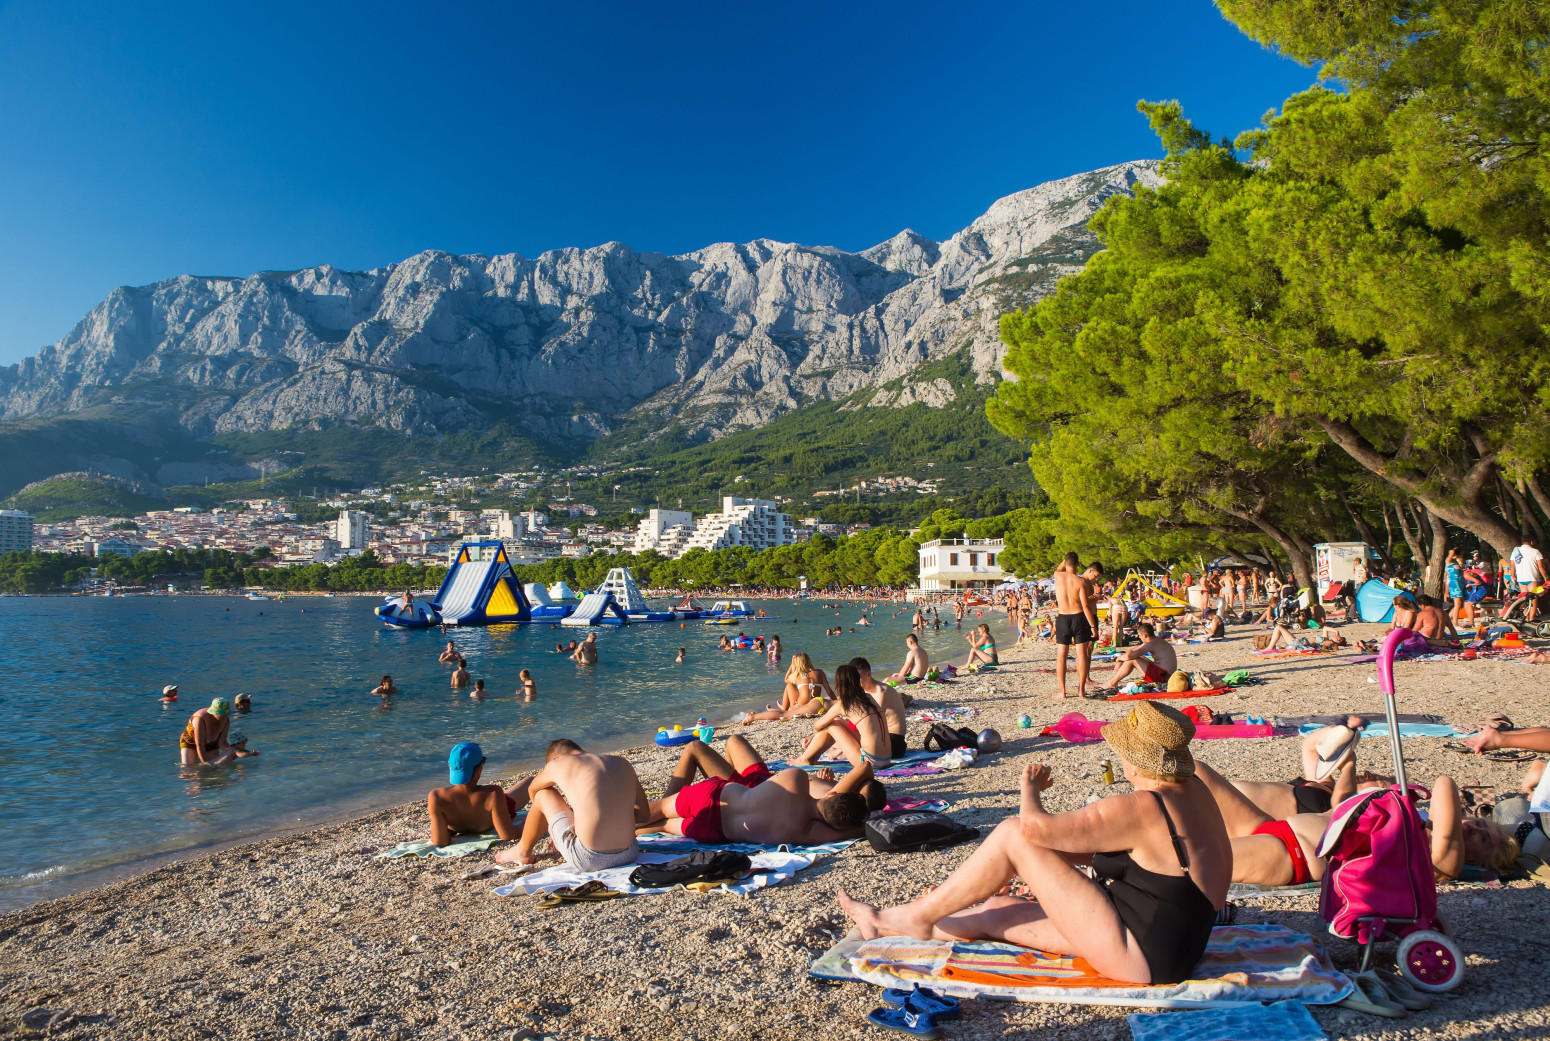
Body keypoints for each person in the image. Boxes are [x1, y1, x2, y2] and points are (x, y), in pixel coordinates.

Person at [835, 702, 1230, 986]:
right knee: (997, 912)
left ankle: (919, 917)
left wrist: (1029, 789)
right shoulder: (1193, 791)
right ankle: (886, 922)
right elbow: (1135, 859)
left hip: (1140, 952)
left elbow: (1032, 831)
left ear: (1133, 759)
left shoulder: (1145, 805)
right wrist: (1031, 870)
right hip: (1178, 946)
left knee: (1010, 831)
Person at [642, 735, 884, 846]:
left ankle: (622, 821)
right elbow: (853, 831)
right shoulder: (804, 832)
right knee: (662, 825)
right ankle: (620, 839)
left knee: (658, 809)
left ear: (835, 794)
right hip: (717, 828)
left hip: (722, 794)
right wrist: (868, 823)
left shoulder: (798, 779)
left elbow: (863, 767)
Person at [496, 739, 647, 871]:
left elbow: (533, 791)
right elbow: (644, 814)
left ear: (555, 758)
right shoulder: (622, 762)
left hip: (589, 858)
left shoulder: (557, 764)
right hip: (630, 853)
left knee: (544, 793)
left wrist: (553, 826)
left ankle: (522, 851)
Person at [427, 742, 529, 849]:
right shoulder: (492, 794)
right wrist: (526, 822)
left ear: (449, 767)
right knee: (529, 782)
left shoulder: (437, 798)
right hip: (497, 806)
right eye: (483, 761)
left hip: (460, 820)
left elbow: (440, 841)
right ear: (478, 769)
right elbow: (508, 834)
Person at [793, 663, 893, 769]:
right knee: (836, 720)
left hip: (869, 762)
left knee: (830, 724)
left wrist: (813, 736)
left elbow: (817, 726)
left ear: (839, 684)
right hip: (887, 758)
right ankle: (812, 757)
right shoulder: (868, 697)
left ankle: (804, 759)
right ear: (857, 680)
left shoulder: (843, 705)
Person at [1053, 552, 1098, 697]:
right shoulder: (1081, 582)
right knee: (1081, 654)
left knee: (1061, 655)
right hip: (1079, 618)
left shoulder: (1057, 576)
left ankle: (1062, 691)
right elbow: (1085, 606)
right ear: (1078, 565)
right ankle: (1081, 690)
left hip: (1063, 618)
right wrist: (1093, 626)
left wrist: (1065, 558)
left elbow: (1061, 568)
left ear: (1065, 563)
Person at [741, 652, 834, 722]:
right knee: (796, 689)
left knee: (789, 686)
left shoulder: (798, 674)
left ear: (796, 664)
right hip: (816, 704)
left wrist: (791, 664)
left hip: (800, 706)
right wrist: (835, 702)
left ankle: (783, 708)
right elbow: (829, 691)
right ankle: (784, 707)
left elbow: (786, 679)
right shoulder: (820, 672)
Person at [852, 656, 908, 760]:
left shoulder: (881, 691)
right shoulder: (864, 691)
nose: (855, 682)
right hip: (884, 739)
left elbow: (872, 721)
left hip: (894, 743)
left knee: (843, 729)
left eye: (858, 678)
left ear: (868, 674)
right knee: (837, 725)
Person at [178, 698, 258, 766]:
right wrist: (204, 762)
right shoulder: (200, 719)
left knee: (214, 768)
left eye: (224, 714)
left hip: (212, 742)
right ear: (213, 712)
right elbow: (199, 744)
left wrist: (233, 752)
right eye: (219, 714)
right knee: (188, 769)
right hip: (190, 742)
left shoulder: (226, 719)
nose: (222, 717)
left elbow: (222, 742)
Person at [1107, 622, 1178, 688]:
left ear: (1145, 635)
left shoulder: (1151, 644)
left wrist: (1118, 659)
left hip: (1163, 678)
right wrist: (1120, 660)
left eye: (1140, 635)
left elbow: (1129, 656)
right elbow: (1132, 651)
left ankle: (1112, 683)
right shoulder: (1156, 640)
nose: (1139, 637)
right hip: (1167, 675)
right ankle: (1112, 682)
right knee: (1137, 656)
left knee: (1133, 659)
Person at [1512, 536, 1548, 621]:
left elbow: (1512, 565)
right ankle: (1531, 618)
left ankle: (1525, 617)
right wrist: (1546, 577)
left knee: (1524, 599)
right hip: (1533, 578)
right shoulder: (1536, 551)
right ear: (1531, 542)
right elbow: (1541, 566)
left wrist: (1513, 575)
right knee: (1533, 598)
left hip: (1521, 578)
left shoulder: (1516, 551)